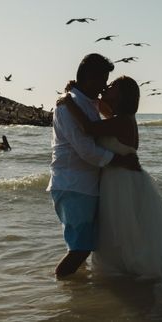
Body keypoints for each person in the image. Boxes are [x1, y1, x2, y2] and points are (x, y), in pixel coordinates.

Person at [59, 75, 162, 288]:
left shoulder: (122, 121)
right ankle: (126, 277)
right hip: (121, 178)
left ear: (121, 95)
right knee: (126, 228)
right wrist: (81, 93)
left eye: (112, 87)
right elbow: (101, 109)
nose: (106, 88)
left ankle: (126, 275)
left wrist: (68, 101)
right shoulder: (121, 117)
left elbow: (88, 128)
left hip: (121, 181)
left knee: (123, 229)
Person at [47, 54, 141, 279]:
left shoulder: (87, 102)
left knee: (86, 244)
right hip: (74, 185)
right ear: (90, 78)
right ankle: (62, 287)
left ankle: (78, 292)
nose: (104, 87)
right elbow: (87, 151)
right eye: (103, 81)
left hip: (88, 186)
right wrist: (120, 160)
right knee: (81, 248)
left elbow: (99, 124)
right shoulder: (66, 106)